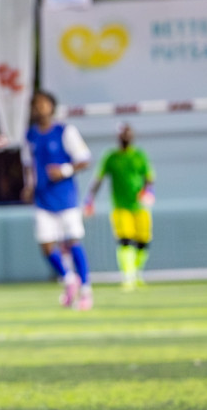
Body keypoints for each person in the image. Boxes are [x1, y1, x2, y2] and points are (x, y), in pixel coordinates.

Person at [22, 89, 93, 309]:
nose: (40, 107)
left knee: (73, 241)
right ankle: (69, 279)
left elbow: (84, 159)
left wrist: (63, 170)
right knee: (45, 245)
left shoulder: (65, 131)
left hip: (66, 198)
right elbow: (28, 164)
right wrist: (29, 186)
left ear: (52, 106)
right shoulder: (30, 135)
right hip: (43, 199)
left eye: (43, 103)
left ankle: (86, 290)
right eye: (36, 104)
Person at [86, 123, 155, 290]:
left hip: (140, 206)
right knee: (125, 240)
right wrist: (89, 200)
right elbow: (99, 179)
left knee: (143, 242)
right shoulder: (111, 157)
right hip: (120, 206)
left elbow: (149, 177)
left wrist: (149, 192)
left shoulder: (139, 156)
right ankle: (128, 276)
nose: (125, 137)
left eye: (128, 133)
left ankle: (136, 272)